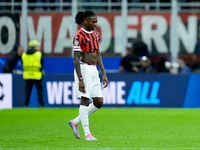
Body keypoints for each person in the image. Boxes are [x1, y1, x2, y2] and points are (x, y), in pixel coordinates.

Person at [68, 10, 108, 141]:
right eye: (93, 21)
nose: (96, 24)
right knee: (85, 100)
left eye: (96, 21)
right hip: (83, 69)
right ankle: (87, 134)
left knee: (99, 102)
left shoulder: (95, 34)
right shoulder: (79, 36)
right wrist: (80, 79)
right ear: (85, 21)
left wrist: (103, 73)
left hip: (94, 69)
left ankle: (75, 122)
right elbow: (75, 59)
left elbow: (98, 55)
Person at [22, 40, 44, 107]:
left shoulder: (24, 55)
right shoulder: (39, 54)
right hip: (37, 75)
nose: (38, 47)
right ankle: (41, 104)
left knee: (27, 92)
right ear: (34, 47)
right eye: (37, 46)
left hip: (27, 75)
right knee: (39, 91)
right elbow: (42, 63)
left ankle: (26, 105)